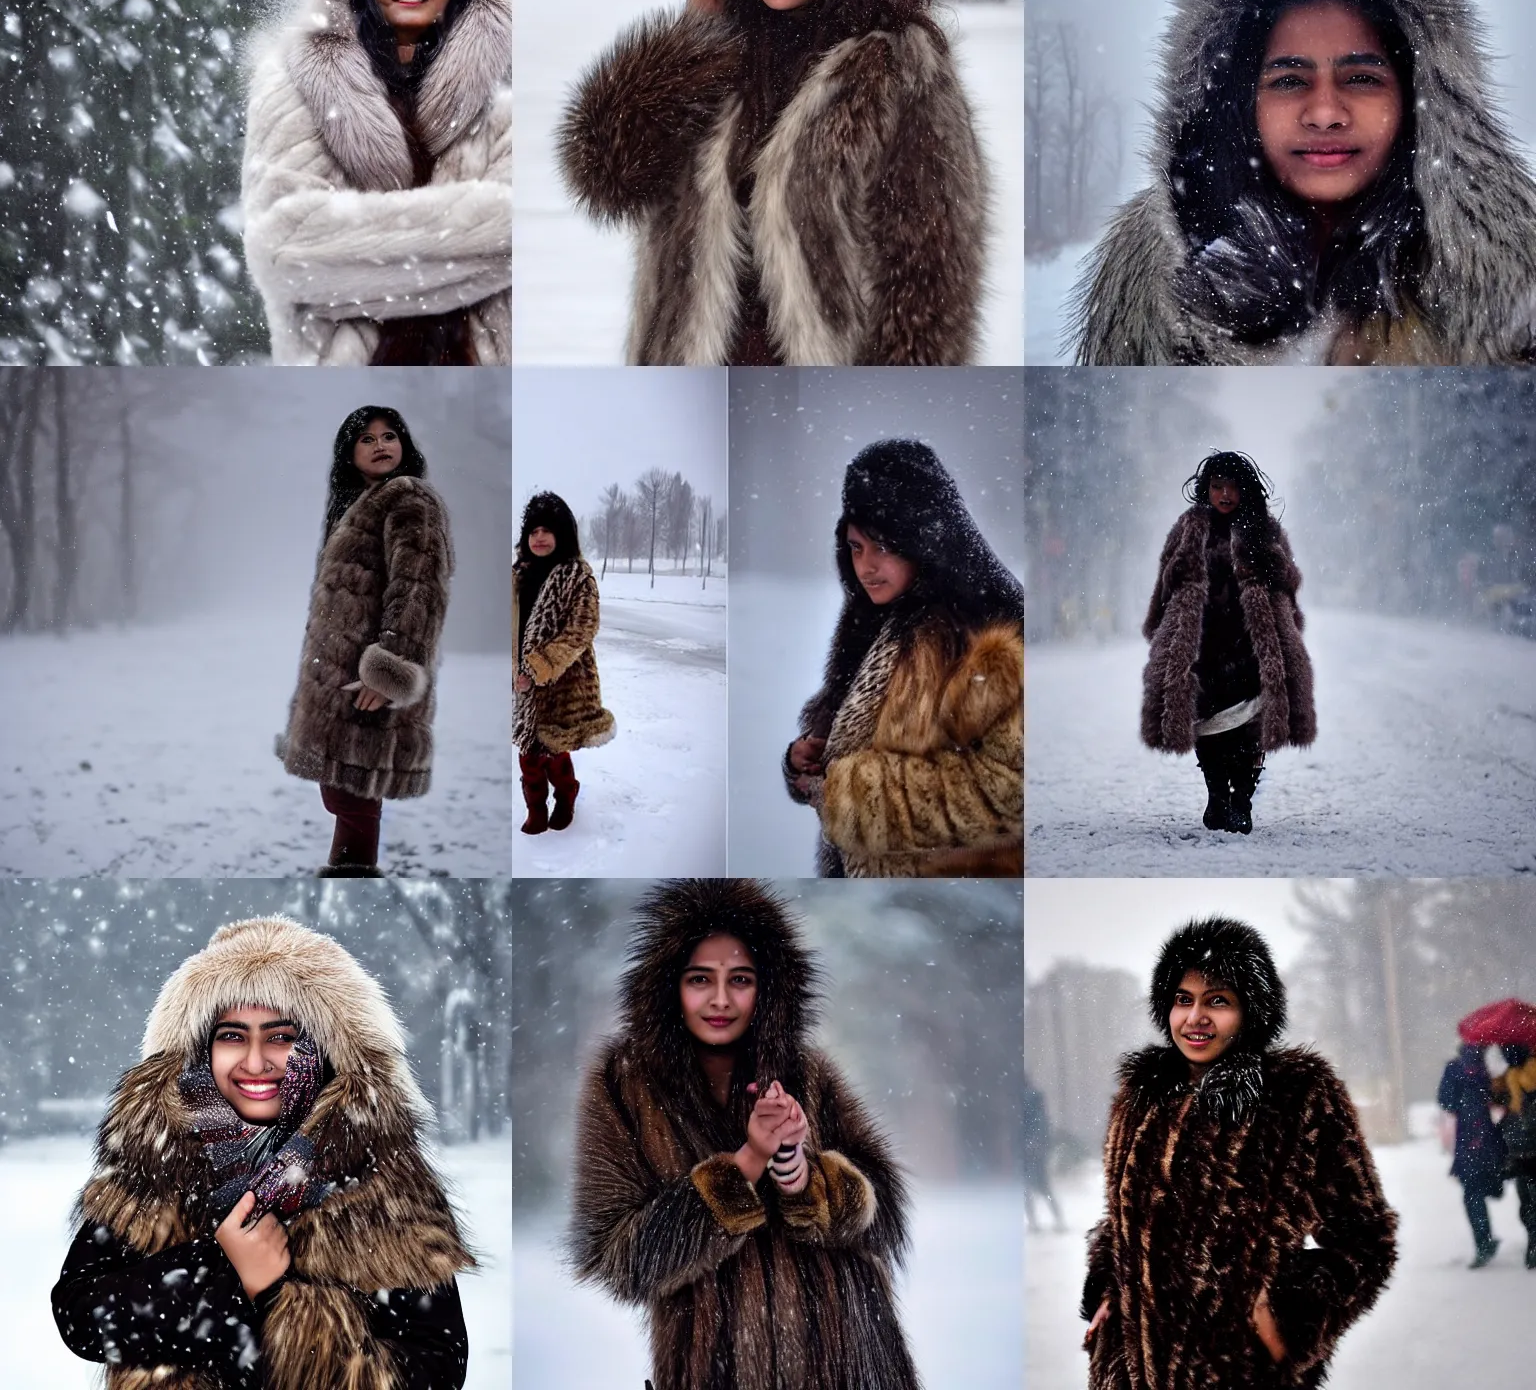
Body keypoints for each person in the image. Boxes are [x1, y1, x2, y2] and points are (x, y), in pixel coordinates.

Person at [1070, 0, 1536, 364]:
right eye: (1290, 81)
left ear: (1420, 98)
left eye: (1360, 78)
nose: (1325, 113)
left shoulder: (1517, 263)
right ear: (1238, 104)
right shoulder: (1150, 267)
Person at [557, 0, 988, 365]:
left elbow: (931, 272)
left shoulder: (898, 66)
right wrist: (689, 49)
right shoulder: (719, 56)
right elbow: (605, 176)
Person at [52, 916, 473, 1388]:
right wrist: (227, 1274)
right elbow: (81, 1316)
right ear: (201, 1048)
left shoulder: (381, 1172)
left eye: (281, 1036)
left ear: (325, 1048)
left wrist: (278, 1308)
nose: (255, 1061)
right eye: (232, 1035)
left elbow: (438, 1367)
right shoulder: (158, 1157)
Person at [569, 877, 921, 1390]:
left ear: (766, 987)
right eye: (699, 979)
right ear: (671, 985)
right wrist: (746, 1164)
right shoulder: (623, 1083)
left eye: (739, 979)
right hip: (718, 1369)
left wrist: (804, 1176)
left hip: (850, 1358)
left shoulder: (807, 1070)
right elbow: (617, 1260)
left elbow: (885, 1215)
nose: (720, 999)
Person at [1082, 916, 1396, 1388]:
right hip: (1132, 1373)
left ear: (1252, 1010)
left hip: (1242, 1373)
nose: (1195, 1018)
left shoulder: (1296, 1094)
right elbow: (1124, 1214)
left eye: (1218, 1002)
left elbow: (1366, 1238)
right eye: (1182, 1000)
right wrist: (1109, 1286)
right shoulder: (1141, 1095)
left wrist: (1289, 1319)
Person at [243, 0, 511, 364]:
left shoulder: (504, 98)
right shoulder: (292, 86)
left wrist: (362, 261)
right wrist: (479, 242)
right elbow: (285, 250)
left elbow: (522, 236)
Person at [783, 439, 1024, 876]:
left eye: (882, 547)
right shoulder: (875, 621)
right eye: (856, 547)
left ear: (922, 541)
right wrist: (805, 762)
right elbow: (847, 737)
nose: (866, 566)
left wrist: (845, 795)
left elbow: (1007, 790)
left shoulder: (983, 637)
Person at [277, 406, 453, 876]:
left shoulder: (409, 499)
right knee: (341, 793)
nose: (381, 445)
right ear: (349, 453)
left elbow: (418, 589)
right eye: (367, 439)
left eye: (390, 435)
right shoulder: (359, 504)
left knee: (355, 799)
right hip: (339, 679)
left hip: (369, 681)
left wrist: (390, 669)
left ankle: (351, 883)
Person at [1142, 451, 1314, 835]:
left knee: (1251, 727)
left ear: (1244, 490)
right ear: (1206, 489)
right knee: (1208, 724)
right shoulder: (1189, 528)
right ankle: (1218, 796)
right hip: (1202, 641)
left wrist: (1266, 565)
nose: (1224, 494)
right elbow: (1166, 578)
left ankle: (1242, 801)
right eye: (1217, 486)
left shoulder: (1263, 530)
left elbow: (1287, 583)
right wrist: (1160, 622)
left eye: (1231, 487)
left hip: (1253, 642)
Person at [514, 491, 615, 835]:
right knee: (528, 753)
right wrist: (514, 670)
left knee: (554, 751)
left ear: (563, 534)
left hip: (564, 682)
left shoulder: (577, 576)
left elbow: (582, 628)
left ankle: (566, 795)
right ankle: (535, 808)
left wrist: (539, 668)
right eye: (533, 531)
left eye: (547, 530)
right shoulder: (518, 575)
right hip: (521, 684)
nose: (539, 538)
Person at [1439, 1040, 1508, 1267]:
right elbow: (1499, 1099)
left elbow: (1446, 1102)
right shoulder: (1485, 1071)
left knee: (1472, 1194)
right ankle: (1486, 1239)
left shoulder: (1454, 1069)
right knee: (1483, 1187)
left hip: (1468, 1139)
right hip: (1487, 1138)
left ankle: (1484, 1242)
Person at [1491, 1042, 1536, 1269]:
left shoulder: (1511, 1077)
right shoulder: (1518, 1075)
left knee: (1527, 1202)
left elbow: (1498, 1101)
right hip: (1527, 1147)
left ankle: (1533, 1243)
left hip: (1520, 1150)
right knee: (1530, 1200)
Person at [1022, 1069, 1065, 1232]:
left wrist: (1035, 1141)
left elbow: (1040, 1122)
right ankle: (1044, 1221)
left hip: (1033, 1150)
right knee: (1034, 1187)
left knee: (1038, 1186)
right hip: (1030, 1149)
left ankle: (1050, 1220)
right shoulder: (1032, 1097)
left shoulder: (1032, 1097)